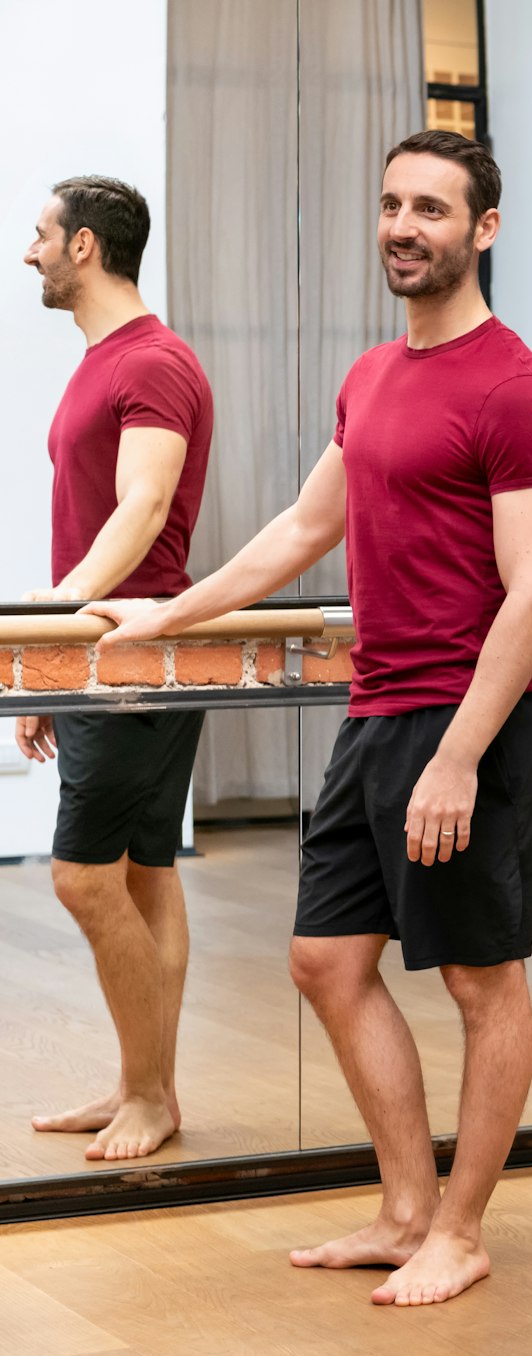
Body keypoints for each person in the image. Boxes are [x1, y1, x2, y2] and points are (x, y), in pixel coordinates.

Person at [91, 130, 532, 1301]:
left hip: (470, 725)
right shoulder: (372, 376)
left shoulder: (516, 390)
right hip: (377, 714)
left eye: (432, 210)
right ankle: (407, 1210)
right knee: (322, 959)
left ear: (483, 231)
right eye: (391, 204)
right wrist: (170, 614)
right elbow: (304, 531)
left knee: (479, 981)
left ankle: (461, 1228)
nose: (404, 227)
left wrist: (460, 756)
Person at [15, 175, 213, 1162]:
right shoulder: (108, 360)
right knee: (143, 876)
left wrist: (56, 630)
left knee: (83, 880)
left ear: (85, 246)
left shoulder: (155, 362)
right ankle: (148, 1088)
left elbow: (141, 511)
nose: (29, 253)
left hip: (134, 653)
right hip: (116, 651)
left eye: (41, 235)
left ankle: (149, 1094)